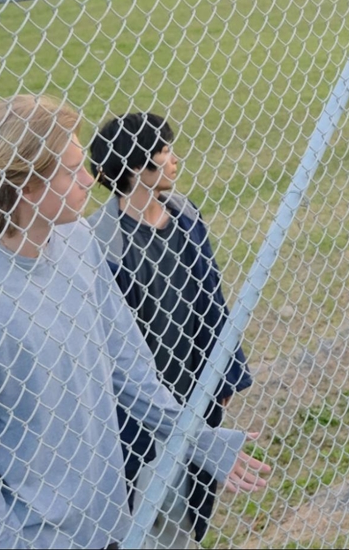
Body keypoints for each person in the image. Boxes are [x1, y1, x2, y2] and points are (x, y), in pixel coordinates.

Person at [0, 95, 271, 549]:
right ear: (24, 186)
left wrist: (200, 440)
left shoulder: (79, 243)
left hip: (111, 529)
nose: (90, 180)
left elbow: (131, 369)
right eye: (71, 170)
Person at [87, 112, 255, 546]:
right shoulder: (102, 241)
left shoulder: (184, 214)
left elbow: (211, 295)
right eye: (165, 152)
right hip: (138, 401)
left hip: (194, 383)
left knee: (195, 498)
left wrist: (225, 371)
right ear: (140, 167)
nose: (175, 159)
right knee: (142, 508)